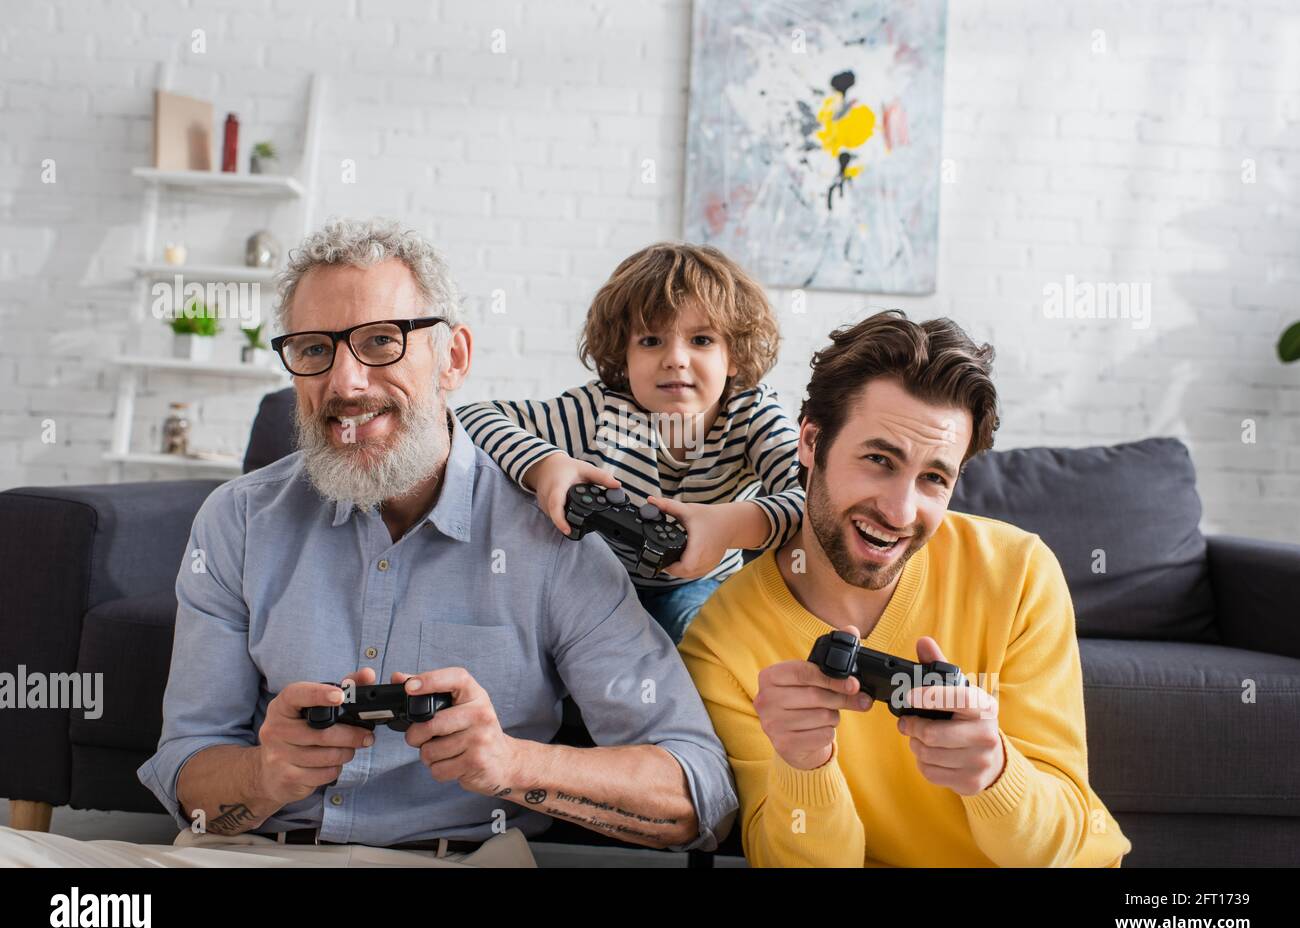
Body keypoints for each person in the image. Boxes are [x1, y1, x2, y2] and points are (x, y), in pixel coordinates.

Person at [0, 218, 737, 868]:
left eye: (383, 341)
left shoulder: (552, 535)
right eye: (313, 349)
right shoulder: (240, 518)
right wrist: (268, 772)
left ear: (453, 359)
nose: (345, 381)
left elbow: (696, 791)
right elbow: (187, 770)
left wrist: (507, 763)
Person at [678, 310, 1132, 867]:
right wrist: (805, 766)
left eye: (934, 478)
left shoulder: (1019, 573)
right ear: (811, 441)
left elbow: (1056, 849)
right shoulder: (720, 642)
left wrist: (995, 775)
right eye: (878, 460)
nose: (899, 511)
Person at [457, 242, 803, 643]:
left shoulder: (752, 414)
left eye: (702, 340)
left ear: (735, 356)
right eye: (651, 341)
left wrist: (727, 526)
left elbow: (810, 497)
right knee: (567, 643)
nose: (676, 358)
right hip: (603, 581)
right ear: (623, 356)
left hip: (701, 587)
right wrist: (546, 465)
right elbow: (471, 418)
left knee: (708, 641)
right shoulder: (601, 409)